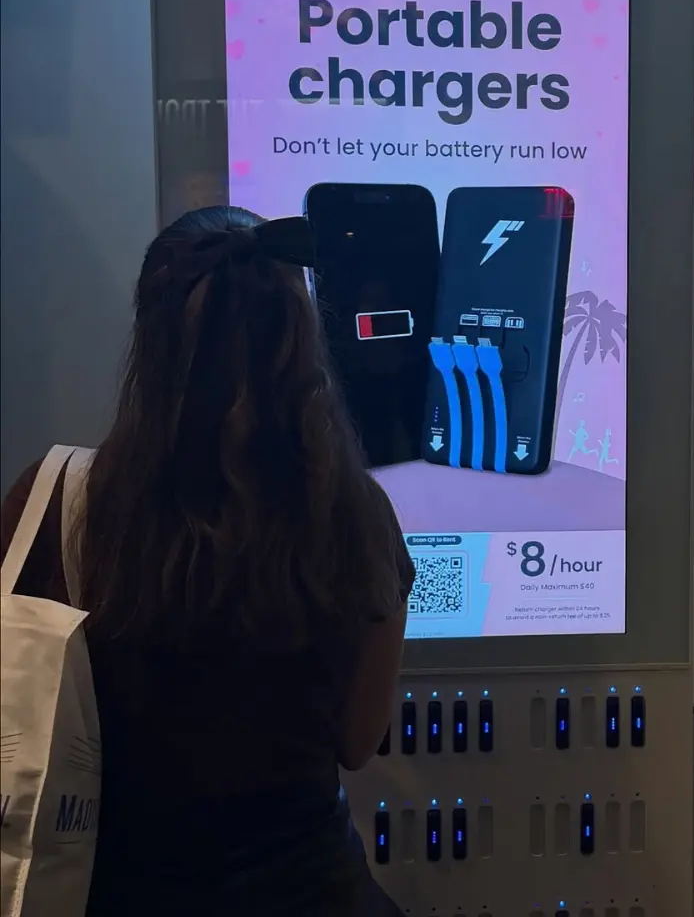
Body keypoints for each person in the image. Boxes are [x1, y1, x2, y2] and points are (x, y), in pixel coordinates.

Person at [0, 206, 414, 916]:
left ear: (153, 343)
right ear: (299, 341)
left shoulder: (52, 497)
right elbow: (357, 739)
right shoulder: (354, 516)